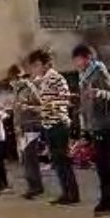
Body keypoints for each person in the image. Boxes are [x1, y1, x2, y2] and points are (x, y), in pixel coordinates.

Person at [72, 45, 110, 216]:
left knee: (104, 165)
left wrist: (98, 93)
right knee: (105, 164)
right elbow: (86, 104)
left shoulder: (99, 71)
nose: (76, 64)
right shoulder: (83, 77)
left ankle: (107, 199)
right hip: (93, 124)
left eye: (78, 60)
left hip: (103, 123)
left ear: (88, 58)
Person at [26, 49, 80, 204]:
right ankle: (66, 192)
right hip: (49, 124)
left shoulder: (56, 78)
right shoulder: (42, 81)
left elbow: (64, 99)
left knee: (63, 160)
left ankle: (72, 194)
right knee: (57, 161)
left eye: (36, 65)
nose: (34, 69)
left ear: (44, 64)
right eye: (33, 66)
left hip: (58, 123)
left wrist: (47, 105)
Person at [7, 63, 44, 199]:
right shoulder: (16, 91)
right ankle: (32, 185)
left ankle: (35, 187)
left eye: (14, 78)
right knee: (25, 158)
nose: (12, 82)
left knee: (30, 158)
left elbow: (39, 104)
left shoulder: (28, 87)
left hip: (31, 126)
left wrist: (26, 106)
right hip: (21, 128)